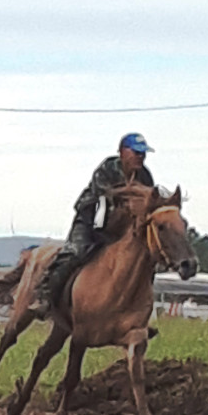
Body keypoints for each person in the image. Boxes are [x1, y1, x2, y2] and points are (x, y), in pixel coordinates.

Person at [29, 133, 156, 319]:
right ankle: (44, 297)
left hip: (121, 227)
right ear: (122, 152)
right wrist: (134, 193)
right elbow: (108, 195)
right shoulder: (106, 169)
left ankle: (137, 313)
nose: (140, 157)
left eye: (143, 153)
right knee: (74, 253)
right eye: (136, 152)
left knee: (143, 260)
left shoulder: (145, 176)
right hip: (91, 220)